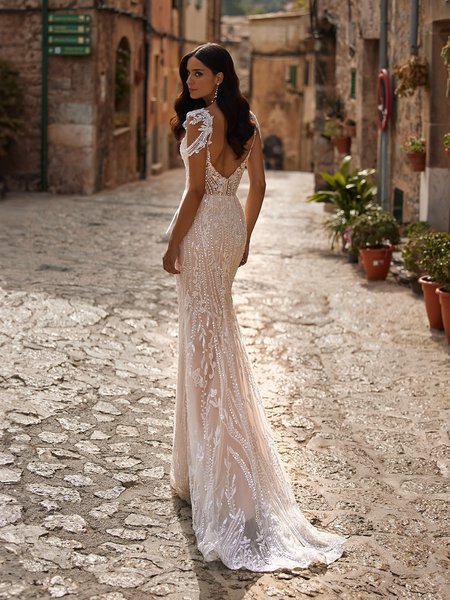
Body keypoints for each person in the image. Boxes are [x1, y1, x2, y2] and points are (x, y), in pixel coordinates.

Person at [162, 43, 346, 571]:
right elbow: (258, 187)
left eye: (198, 72)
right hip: (228, 230)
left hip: (201, 234)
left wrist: (174, 243)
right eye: (187, 73)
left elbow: (196, 190)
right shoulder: (246, 121)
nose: (190, 79)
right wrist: (244, 235)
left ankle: (213, 476)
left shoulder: (199, 120)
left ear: (219, 76)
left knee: (202, 350)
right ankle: (206, 469)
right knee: (218, 338)